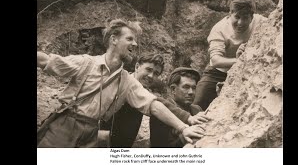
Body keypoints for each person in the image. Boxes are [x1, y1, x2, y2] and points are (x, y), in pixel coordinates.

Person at [37, 19, 205, 147]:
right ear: (114, 39)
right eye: (130, 39)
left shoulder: (127, 81)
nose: (135, 44)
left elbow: (153, 104)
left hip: (91, 133)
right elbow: (47, 61)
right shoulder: (86, 63)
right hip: (65, 124)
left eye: (135, 40)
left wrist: (183, 127)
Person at [99, 53, 212, 147]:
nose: (151, 76)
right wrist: (187, 120)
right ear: (137, 66)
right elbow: (158, 104)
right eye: (148, 69)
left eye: (156, 73)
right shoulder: (123, 81)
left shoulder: (143, 91)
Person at [193, 0, 267, 110]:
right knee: (198, 100)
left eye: (245, 18)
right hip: (219, 72)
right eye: (237, 17)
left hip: (250, 68)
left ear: (252, 17)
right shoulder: (219, 29)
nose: (240, 23)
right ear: (230, 14)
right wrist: (239, 61)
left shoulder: (260, 21)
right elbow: (216, 60)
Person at [150, 67, 210, 147]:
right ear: (173, 89)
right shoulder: (162, 112)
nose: (191, 92)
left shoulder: (197, 110)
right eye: (186, 87)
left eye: (194, 88)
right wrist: (184, 139)